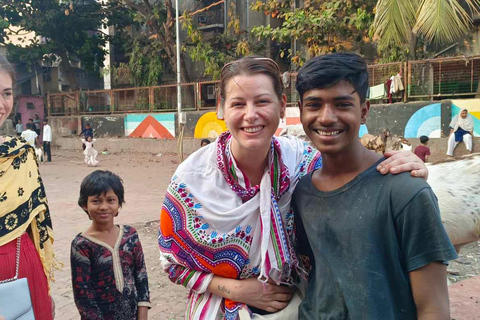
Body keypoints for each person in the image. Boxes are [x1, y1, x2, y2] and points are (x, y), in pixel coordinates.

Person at [158, 56, 429, 320]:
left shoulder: (303, 162)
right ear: (222, 108)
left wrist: (409, 165)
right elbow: (173, 265)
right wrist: (241, 290)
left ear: (282, 105)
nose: (251, 115)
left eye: (262, 101)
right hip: (217, 310)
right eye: (238, 103)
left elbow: (352, 179)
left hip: (296, 308)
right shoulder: (191, 181)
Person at [292, 53, 457, 320]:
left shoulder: (406, 192)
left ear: (364, 110)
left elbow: (434, 307)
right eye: (314, 105)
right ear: (300, 111)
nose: (326, 117)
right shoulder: (301, 192)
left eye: (342, 104)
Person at [0, 54, 55, 320]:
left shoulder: (21, 155)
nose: (2, 104)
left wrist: (43, 287)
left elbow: (37, 223)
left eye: (7, 93)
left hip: (22, 266)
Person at [71, 170, 150, 319]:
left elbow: (141, 276)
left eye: (110, 200)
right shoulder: (82, 245)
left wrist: (143, 314)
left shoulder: (130, 235)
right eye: (96, 201)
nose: (104, 206)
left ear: (119, 203)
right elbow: (83, 297)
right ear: (84, 205)